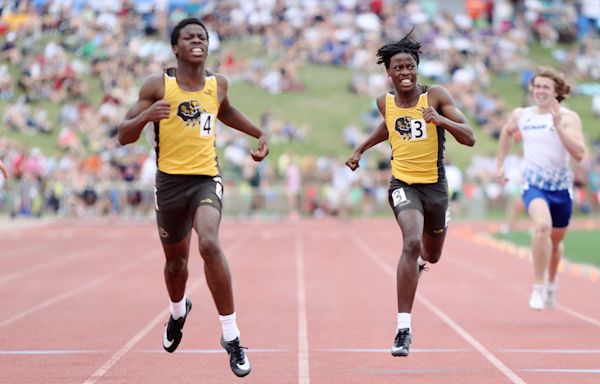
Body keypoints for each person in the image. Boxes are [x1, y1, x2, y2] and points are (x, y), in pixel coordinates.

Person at [117, 18, 269, 377]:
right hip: (169, 184)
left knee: (211, 244)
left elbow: (225, 110)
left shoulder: (218, 84)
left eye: (202, 36)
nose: (197, 41)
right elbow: (123, 134)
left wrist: (258, 132)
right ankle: (177, 311)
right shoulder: (158, 86)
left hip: (205, 179)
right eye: (189, 37)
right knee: (176, 266)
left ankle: (231, 336)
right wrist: (146, 118)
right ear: (176, 47)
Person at [345, 31, 475, 357]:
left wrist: (441, 120)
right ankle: (404, 329)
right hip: (403, 185)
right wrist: (360, 149)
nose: (405, 73)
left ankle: (430, 242)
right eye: (398, 68)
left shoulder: (435, 96)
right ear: (388, 73)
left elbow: (470, 137)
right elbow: (388, 126)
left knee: (431, 256)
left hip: (435, 188)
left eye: (410, 67)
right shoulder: (383, 101)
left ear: (417, 68)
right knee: (411, 243)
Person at [496, 66, 586, 311]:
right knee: (541, 226)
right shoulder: (522, 115)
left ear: (556, 91)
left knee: (556, 244)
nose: (540, 91)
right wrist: (501, 164)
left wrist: (557, 127)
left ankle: (551, 283)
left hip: (561, 190)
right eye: (537, 86)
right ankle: (537, 286)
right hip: (534, 185)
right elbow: (506, 131)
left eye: (546, 87)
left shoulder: (568, 117)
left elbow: (579, 154)